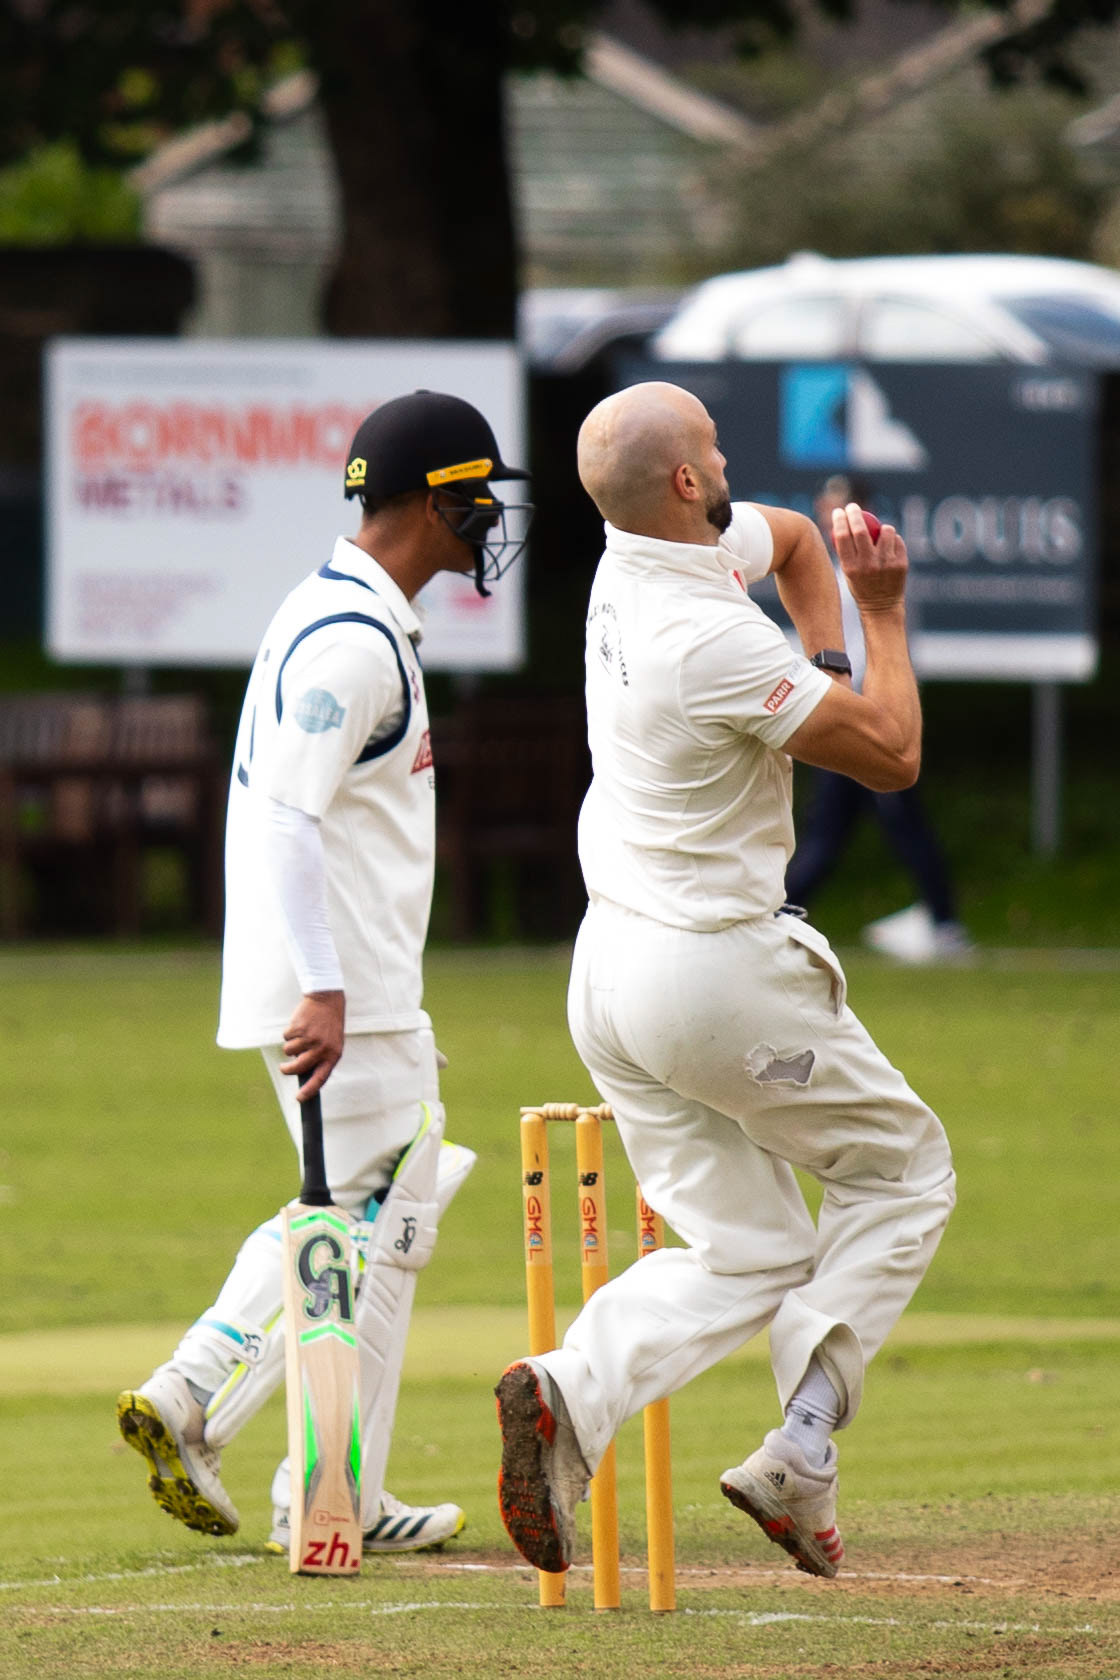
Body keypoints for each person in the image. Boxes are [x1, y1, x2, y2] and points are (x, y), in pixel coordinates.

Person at [495, 381, 955, 1581]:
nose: (727, 455)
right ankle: (802, 1445)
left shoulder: (637, 555)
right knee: (904, 1171)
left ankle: (568, 1394)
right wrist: (881, 617)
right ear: (689, 483)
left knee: (748, 1249)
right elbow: (894, 754)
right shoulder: (705, 640)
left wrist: (819, 645)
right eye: (712, 446)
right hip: (711, 975)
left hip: (609, 974)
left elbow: (794, 539)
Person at [118, 389, 532, 1557]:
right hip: (339, 979)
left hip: (341, 970)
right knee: (359, 1215)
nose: (488, 518)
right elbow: (287, 821)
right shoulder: (350, 641)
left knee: (389, 1207)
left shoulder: (347, 610)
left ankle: (334, 1476)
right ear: (424, 502)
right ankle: (201, 1396)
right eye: (475, 497)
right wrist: (325, 985)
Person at [785, 474, 971, 964]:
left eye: (838, 508)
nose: (828, 517)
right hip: (843, 715)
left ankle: (944, 924)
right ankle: (778, 917)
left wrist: (880, 713)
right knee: (828, 829)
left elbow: (890, 647)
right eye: (824, 508)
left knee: (892, 822)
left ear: (861, 511)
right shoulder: (820, 569)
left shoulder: (877, 571)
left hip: (870, 717)